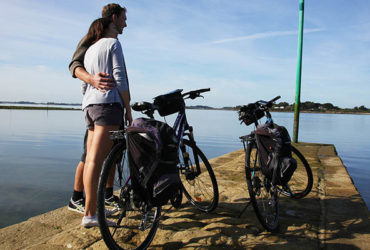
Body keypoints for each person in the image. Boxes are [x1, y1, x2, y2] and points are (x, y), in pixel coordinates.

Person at [68, 3, 129, 214]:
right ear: (114, 18)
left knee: (112, 153)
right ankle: (80, 200)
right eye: (124, 19)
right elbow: (74, 66)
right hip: (103, 104)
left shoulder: (110, 42)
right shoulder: (92, 38)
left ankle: (107, 195)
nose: (126, 24)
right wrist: (92, 79)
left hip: (97, 104)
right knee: (90, 156)